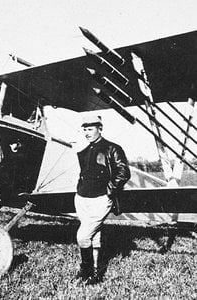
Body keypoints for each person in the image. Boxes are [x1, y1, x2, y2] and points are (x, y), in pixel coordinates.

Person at [74, 114, 130, 285]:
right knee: (94, 235)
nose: (86, 133)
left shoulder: (113, 148)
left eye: (90, 129)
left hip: (100, 199)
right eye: (84, 129)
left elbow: (123, 173)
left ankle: (87, 270)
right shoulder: (85, 150)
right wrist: (79, 189)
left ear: (100, 129)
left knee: (83, 236)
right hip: (82, 198)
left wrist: (108, 191)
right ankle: (96, 272)